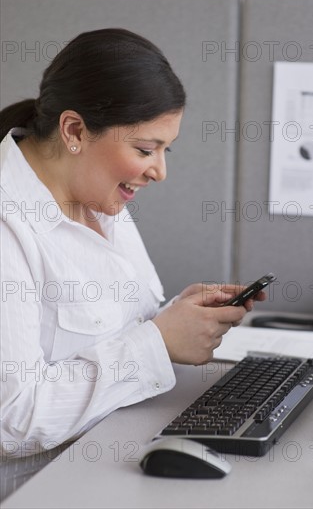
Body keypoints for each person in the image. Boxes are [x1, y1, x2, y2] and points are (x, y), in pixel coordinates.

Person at [0, 28, 264, 476]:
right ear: (74, 130)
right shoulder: (10, 226)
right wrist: (157, 343)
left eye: (166, 149)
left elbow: (113, 332)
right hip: (50, 486)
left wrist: (177, 318)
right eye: (146, 149)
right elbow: (13, 421)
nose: (160, 171)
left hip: (120, 450)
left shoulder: (100, 197)